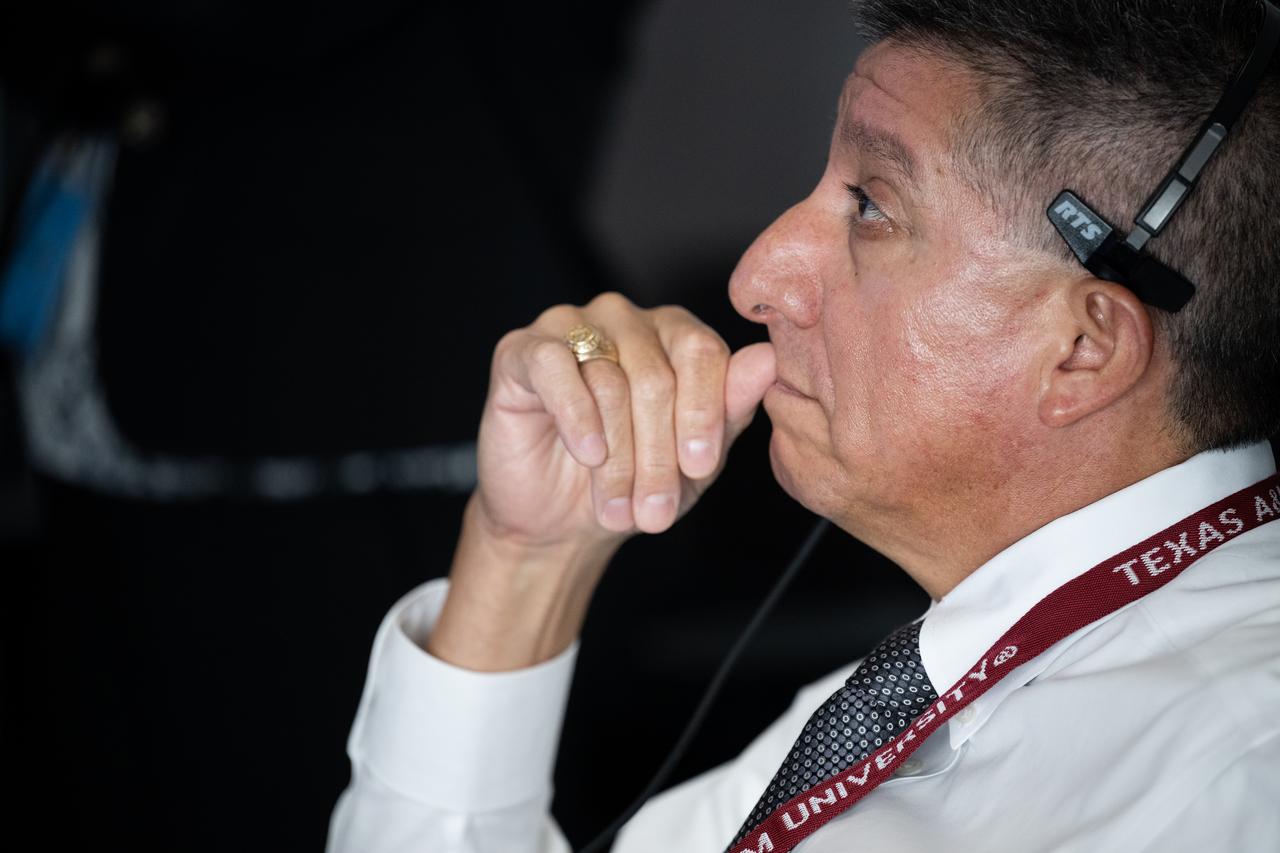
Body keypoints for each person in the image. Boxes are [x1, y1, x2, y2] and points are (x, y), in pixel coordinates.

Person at [327, 0, 1280, 850]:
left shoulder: (1240, 780)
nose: (756, 278)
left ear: (1082, 349)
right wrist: (526, 560)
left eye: (870, 206)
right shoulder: (882, 716)